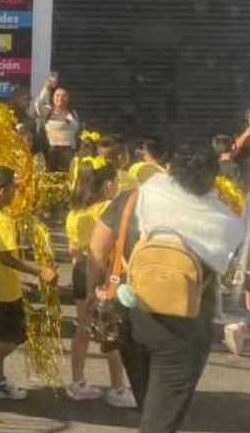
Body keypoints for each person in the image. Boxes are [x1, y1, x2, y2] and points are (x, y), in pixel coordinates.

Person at [89, 142, 244, 433]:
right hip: (185, 329)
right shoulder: (224, 221)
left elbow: (98, 248)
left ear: (170, 168)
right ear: (213, 176)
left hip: (132, 315)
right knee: (161, 419)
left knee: (149, 403)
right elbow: (230, 272)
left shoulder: (135, 198)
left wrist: (94, 292)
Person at [0, 167, 59, 403]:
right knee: (13, 337)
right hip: (3, 290)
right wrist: (40, 271)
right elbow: (5, 257)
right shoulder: (3, 221)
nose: (16, 191)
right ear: (2, 190)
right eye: (13, 187)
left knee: (0, 335)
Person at [65, 158, 136, 408]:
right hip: (101, 272)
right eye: (116, 182)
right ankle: (118, 388)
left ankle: (77, 381)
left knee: (83, 328)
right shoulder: (108, 207)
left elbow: (73, 249)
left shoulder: (75, 212)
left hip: (79, 271)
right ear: (108, 186)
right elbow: (107, 246)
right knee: (109, 332)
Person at [35, 74, 81, 172]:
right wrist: (47, 87)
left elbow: (76, 131)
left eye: (64, 96)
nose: (60, 98)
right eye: (57, 95)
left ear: (68, 98)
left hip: (69, 151)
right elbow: (39, 104)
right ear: (53, 97)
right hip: (52, 152)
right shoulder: (48, 111)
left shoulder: (73, 113)